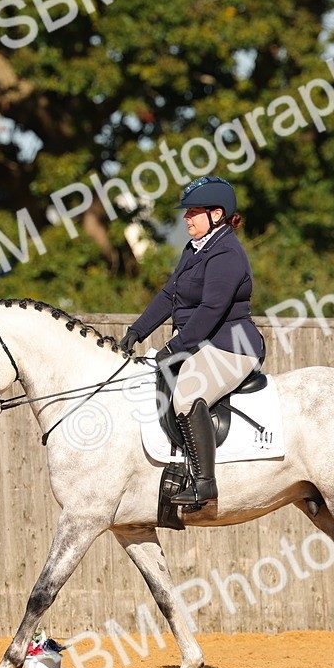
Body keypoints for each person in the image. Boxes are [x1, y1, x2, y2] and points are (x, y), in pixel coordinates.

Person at [118, 176, 265, 508]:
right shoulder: (195, 248)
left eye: (192, 212)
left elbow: (212, 310)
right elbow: (170, 294)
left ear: (216, 214)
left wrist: (174, 348)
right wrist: (136, 331)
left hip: (231, 346)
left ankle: (204, 484)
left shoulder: (227, 253)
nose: (185, 218)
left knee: (186, 396)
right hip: (201, 344)